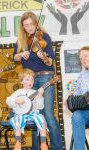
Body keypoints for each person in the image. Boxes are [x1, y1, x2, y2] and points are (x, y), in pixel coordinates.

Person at [13, 11, 63, 150]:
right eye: (26, 25)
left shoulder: (44, 37)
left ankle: (57, 147)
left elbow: (50, 62)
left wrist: (44, 58)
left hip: (46, 76)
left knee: (47, 114)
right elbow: (15, 58)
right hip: (30, 79)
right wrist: (21, 54)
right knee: (35, 114)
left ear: (36, 23)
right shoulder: (21, 40)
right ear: (22, 27)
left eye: (31, 24)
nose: (29, 28)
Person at [6, 68, 48, 150]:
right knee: (17, 120)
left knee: (42, 119)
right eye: (27, 79)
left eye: (32, 80)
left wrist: (39, 96)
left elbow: (39, 106)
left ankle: (43, 143)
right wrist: (16, 100)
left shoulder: (34, 92)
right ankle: (18, 143)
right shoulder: (18, 92)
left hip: (32, 114)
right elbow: (8, 100)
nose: (30, 82)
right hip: (20, 114)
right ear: (21, 81)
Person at [70, 46, 89, 150]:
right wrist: (71, 100)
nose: (83, 59)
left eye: (86, 56)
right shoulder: (81, 76)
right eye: (81, 58)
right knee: (76, 115)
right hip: (86, 112)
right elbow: (77, 95)